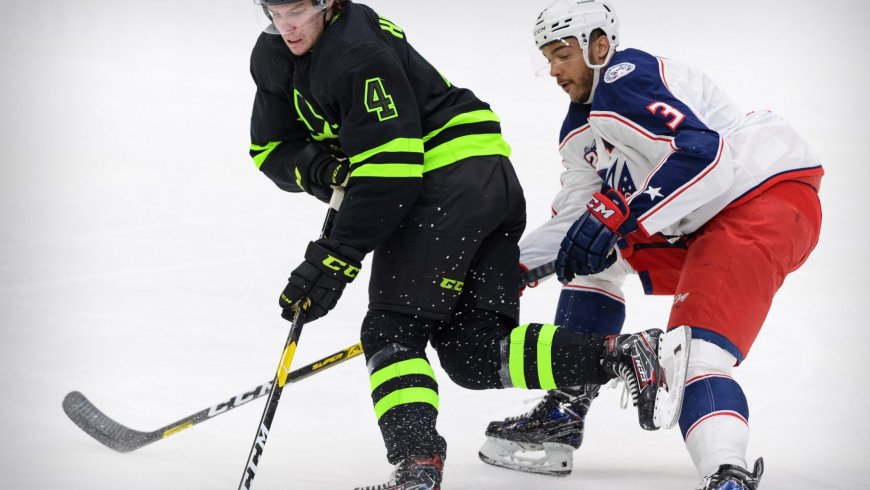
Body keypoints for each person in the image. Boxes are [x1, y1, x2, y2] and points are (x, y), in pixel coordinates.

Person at [247, 1, 691, 488]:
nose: (286, 25)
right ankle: (623, 354)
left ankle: (417, 468)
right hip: (487, 181)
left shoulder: (356, 53)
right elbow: (270, 149)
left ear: (329, 3)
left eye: (298, 10)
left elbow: (390, 176)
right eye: (273, 11)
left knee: (392, 331)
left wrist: (333, 261)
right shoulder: (273, 57)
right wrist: (325, 169)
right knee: (472, 353)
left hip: (444, 184)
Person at [479, 1, 824, 489]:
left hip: (758, 203)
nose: (553, 70)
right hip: (697, 223)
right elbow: (578, 221)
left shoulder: (625, 77)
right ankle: (564, 411)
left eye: (562, 54)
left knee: (695, 360)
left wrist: (623, 217)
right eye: (547, 57)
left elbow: (705, 155)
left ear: (598, 46)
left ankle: (728, 473)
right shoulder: (580, 128)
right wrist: (504, 270)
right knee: (587, 260)